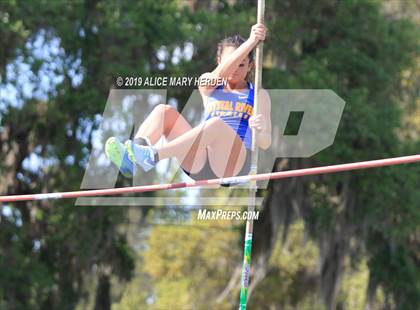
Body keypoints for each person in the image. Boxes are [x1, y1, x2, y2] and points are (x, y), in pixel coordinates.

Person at [105, 23, 271, 185]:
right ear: (219, 61)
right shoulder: (208, 83)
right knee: (164, 112)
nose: (235, 69)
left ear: (251, 66)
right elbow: (220, 74)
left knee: (216, 124)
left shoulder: (258, 94)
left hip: (234, 164)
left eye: (241, 64)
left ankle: (153, 155)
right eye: (231, 63)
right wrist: (250, 42)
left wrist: (261, 130)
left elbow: (265, 142)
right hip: (201, 164)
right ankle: (133, 157)